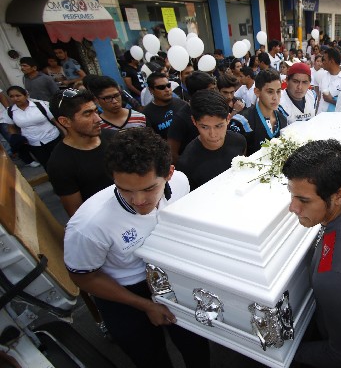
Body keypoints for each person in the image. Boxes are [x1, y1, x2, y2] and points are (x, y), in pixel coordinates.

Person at [64, 127, 209, 368]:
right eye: (125, 190)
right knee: (150, 357)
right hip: (124, 293)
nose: (139, 200)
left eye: (149, 188)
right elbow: (84, 277)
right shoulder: (88, 226)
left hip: (172, 278)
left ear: (170, 174)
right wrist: (145, 305)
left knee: (196, 344)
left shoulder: (182, 183)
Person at [283, 139, 341, 367]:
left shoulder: (333, 276)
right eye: (292, 195)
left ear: (338, 195)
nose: (292, 207)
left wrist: (285, 353)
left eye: (304, 200)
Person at [47, 89, 115, 217]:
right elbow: (76, 214)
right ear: (65, 121)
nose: (98, 119)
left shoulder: (114, 138)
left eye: (96, 111)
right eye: (87, 114)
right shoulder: (60, 164)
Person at [177, 90, 246, 190]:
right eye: (204, 127)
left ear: (228, 118)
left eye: (219, 126)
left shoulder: (239, 142)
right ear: (194, 121)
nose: (213, 134)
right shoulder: (186, 164)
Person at [2, 86, 61, 169]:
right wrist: (16, 137)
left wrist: (66, 133)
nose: (15, 98)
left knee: (62, 160)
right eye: (12, 96)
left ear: (25, 95)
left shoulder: (40, 105)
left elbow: (55, 121)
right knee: (47, 164)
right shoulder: (10, 111)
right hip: (33, 142)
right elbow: (11, 127)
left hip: (52, 137)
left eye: (18, 96)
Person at [167, 71, 218, 164]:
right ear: (199, 93)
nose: (215, 93)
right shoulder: (180, 119)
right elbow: (172, 154)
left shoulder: (212, 109)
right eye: (211, 90)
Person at [240, 68, 287, 155]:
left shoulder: (282, 118)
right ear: (257, 92)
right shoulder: (243, 122)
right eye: (270, 92)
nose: (275, 97)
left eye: (278, 91)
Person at [143, 73, 186, 139]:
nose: (167, 90)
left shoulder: (181, 103)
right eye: (161, 87)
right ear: (151, 90)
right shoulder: (147, 115)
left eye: (168, 85)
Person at [316, 47, 341, 113]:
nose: (322, 62)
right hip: (320, 119)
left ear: (331, 61)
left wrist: (331, 100)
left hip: (335, 120)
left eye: (324, 60)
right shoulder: (323, 75)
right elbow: (319, 98)